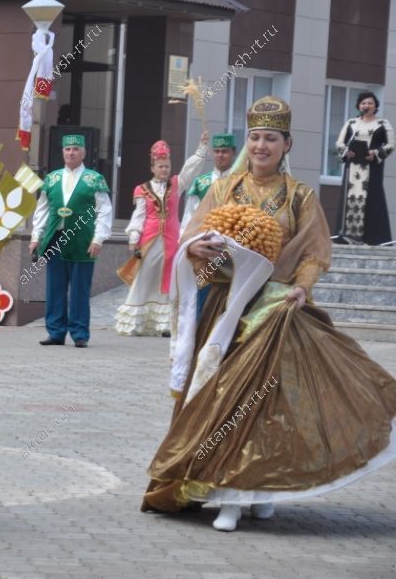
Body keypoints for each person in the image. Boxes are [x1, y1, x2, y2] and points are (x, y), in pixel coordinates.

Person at [142, 96, 396, 532]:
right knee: (219, 400)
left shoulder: (300, 196)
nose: (261, 146)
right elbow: (192, 237)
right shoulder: (222, 189)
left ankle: (254, 491)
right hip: (224, 310)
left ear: (286, 144)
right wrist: (197, 248)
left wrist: (301, 287)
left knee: (264, 406)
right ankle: (222, 491)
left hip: (274, 310)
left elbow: (316, 252)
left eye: (271, 139)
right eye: (256, 137)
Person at [115, 134, 207, 336]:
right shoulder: (142, 189)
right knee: (145, 277)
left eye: (167, 166)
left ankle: (164, 324)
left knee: (168, 278)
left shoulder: (176, 184)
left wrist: (201, 149)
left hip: (171, 241)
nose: (164, 169)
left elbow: (189, 171)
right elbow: (139, 215)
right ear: (152, 167)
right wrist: (133, 239)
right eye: (160, 166)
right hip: (149, 240)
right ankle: (135, 323)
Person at [29, 135, 112, 348]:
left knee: (80, 289)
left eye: (75, 149)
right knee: (54, 288)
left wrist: (98, 238)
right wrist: (36, 237)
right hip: (56, 238)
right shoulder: (52, 179)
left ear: (83, 152)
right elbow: (42, 210)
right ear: (63, 152)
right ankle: (55, 331)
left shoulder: (94, 179)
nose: (71, 153)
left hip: (82, 239)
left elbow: (104, 210)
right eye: (67, 149)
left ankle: (79, 333)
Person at [180, 133, 236, 316]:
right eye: (217, 151)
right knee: (201, 301)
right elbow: (189, 216)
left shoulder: (241, 183)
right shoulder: (201, 183)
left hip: (232, 250)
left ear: (233, 153)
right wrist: (187, 244)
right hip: (204, 249)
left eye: (225, 151)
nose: (220, 155)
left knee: (229, 302)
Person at [335, 91, 393, 245]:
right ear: (359, 106)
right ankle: (348, 236)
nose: (366, 106)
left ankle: (373, 238)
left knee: (372, 199)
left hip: (372, 168)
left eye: (369, 103)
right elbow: (340, 144)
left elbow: (392, 144)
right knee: (350, 198)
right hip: (353, 167)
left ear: (375, 106)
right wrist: (348, 152)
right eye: (363, 103)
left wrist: (375, 153)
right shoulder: (352, 123)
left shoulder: (383, 124)